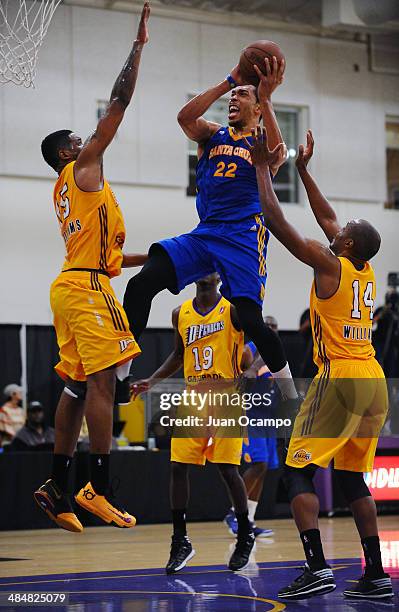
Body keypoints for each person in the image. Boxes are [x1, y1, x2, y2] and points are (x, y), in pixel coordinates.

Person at [246, 126, 393, 600]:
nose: (337, 227)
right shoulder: (361, 267)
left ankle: (316, 567)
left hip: (341, 377)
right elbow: (328, 215)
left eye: (344, 231)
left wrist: (263, 169)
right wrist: (305, 171)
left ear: (345, 245)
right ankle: (374, 573)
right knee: (352, 479)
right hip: (374, 381)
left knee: (297, 470)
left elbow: (275, 219)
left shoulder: (328, 264)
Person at [34, 2, 150, 534]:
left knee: (78, 387)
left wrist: (163, 254)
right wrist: (137, 49)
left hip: (73, 284)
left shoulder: (77, 194)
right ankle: (96, 488)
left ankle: (57, 485)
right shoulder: (81, 171)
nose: (91, 142)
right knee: (105, 383)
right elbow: (119, 102)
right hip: (86, 290)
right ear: (67, 153)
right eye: (81, 141)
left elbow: (107, 259)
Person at [123, 57, 297, 404]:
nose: (234, 99)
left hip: (243, 235)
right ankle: (119, 373)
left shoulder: (261, 144)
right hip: (206, 232)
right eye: (233, 96)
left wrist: (268, 97)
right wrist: (229, 80)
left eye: (243, 96)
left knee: (250, 318)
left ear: (259, 107)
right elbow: (184, 118)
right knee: (141, 283)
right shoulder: (212, 133)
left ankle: (292, 396)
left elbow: (277, 153)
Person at [133, 273, 255, 573]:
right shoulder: (180, 313)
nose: (203, 272)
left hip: (226, 396)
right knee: (177, 465)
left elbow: (250, 353)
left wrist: (246, 370)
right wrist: (152, 380)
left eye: (209, 268)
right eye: (198, 267)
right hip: (193, 396)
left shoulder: (233, 309)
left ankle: (244, 534)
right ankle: (180, 540)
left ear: (219, 275)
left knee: (228, 470)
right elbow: (178, 354)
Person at [224, 316, 279, 539]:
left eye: (276, 327)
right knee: (258, 464)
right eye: (269, 327)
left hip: (269, 419)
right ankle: (234, 514)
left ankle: (250, 519)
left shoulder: (275, 354)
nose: (273, 330)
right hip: (250, 416)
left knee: (264, 469)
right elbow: (245, 380)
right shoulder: (248, 350)